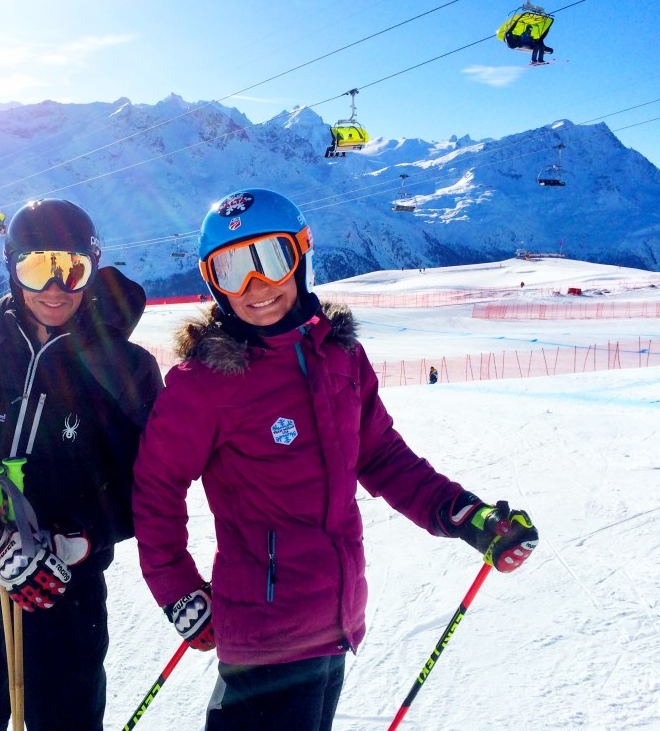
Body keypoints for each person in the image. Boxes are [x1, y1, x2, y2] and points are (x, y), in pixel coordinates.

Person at [132, 188, 538, 731]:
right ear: (213, 282)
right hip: (263, 638)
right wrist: (178, 590)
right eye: (232, 270)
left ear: (301, 256)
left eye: (270, 260)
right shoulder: (205, 382)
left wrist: (464, 514)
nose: (255, 287)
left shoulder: (340, 357)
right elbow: (156, 488)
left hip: (334, 623)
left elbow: (384, 457)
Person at [0, 198, 163, 731]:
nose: (54, 288)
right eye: (35, 267)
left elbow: (148, 487)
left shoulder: (128, 370)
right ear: (11, 267)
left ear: (92, 270)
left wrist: (83, 536)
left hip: (66, 591)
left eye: (71, 270)